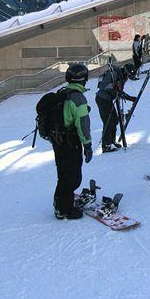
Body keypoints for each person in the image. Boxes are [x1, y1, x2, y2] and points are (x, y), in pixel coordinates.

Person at [50, 64, 94, 219]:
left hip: (58, 140)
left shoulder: (64, 92)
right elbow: (82, 124)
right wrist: (87, 145)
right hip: (70, 141)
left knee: (63, 173)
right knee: (72, 177)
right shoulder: (78, 97)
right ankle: (65, 209)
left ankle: (59, 203)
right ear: (85, 79)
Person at [95, 63, 137, 153]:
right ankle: (106, 145)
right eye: (128, 75)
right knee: (108, 121)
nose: (128, 78)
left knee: (114, 120)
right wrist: (113, 87)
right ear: (125, 71)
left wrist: (129, 97)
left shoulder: (121, 77)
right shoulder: (113, 74)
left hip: (108, 99)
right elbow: (103, 86)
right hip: (102, 99)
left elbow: (119, 91)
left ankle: (112, 141)